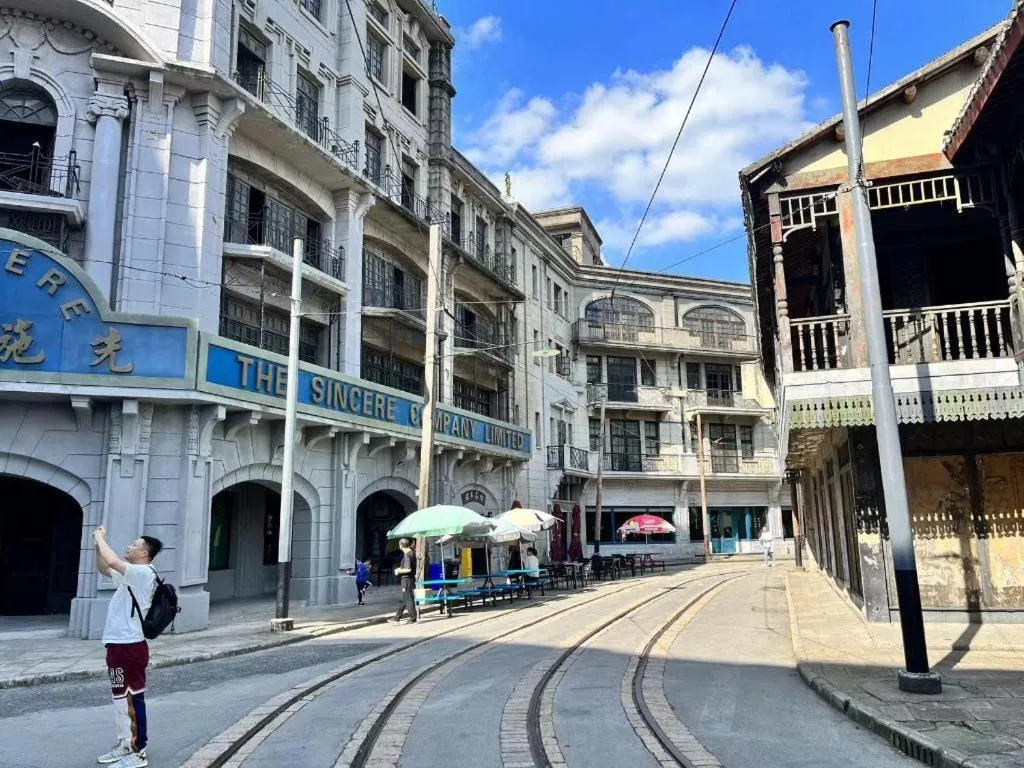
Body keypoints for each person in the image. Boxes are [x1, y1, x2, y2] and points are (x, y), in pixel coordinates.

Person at [93, 526, 164, 768]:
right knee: (120, 698)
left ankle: (138, 751)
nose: (129, 547)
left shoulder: (144, 573)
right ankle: (125, 744)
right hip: (118, 644)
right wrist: (96, 546)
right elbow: (104, 566)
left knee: (132, 698)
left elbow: (112, 559)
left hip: (130, 645)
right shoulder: (132, 575)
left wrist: (101, 538)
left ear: (144, 554)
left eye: (134, 545)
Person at [388, 538, 418, 624]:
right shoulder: (412, 553)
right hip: (410, 579)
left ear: (401, 545)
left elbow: (408, 569)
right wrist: (400, 568)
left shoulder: (407, 555)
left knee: (408, 599)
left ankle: (413, 618)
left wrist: (398, 571)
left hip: (406, 580)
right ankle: (397, 617)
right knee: (405, 598)